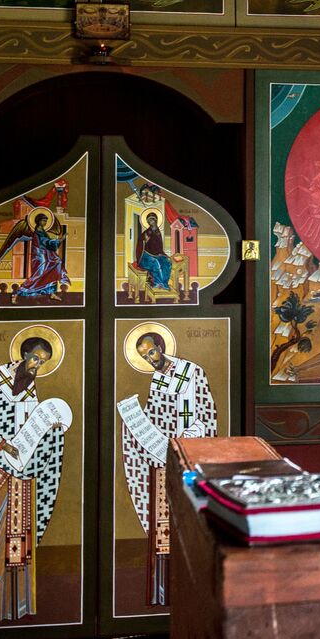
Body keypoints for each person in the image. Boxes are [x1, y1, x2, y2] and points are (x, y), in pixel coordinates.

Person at [0, 336, 68, 622]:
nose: (36, 366)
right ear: (22, 355)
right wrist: (3, 445)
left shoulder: (29, 386)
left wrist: (52, 430)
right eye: (34, 358)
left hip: (22, 476)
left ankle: (17, 605)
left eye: (43, 362)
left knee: (20, 539)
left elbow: (30, 428)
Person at [119, 330, 217, 603]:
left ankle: (191, 592)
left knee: (186, 521)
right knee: (162, 525)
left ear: (161, 347)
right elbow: (155, 415)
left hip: (186, 457)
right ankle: (164, 593)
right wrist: (134, 422)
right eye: (144, 356)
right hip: (161, 460)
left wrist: (188, 438)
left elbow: (207, 412)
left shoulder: (191, 371)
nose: (150, 359)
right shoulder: (156, 380)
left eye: (151, 352)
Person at [135, 211, 171, 289]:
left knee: (167, 262)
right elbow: (140, 243)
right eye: (150, 221)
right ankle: (156, 283)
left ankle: (164, 283)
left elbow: (159, 248)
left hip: (156, 254)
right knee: (155, 263)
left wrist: (163, 254)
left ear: (156, 220)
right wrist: (144, 240)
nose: (152, 222)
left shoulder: (158, 232)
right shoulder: (146, 233)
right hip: (145, 256)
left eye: (153, 220)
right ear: (148, 222)